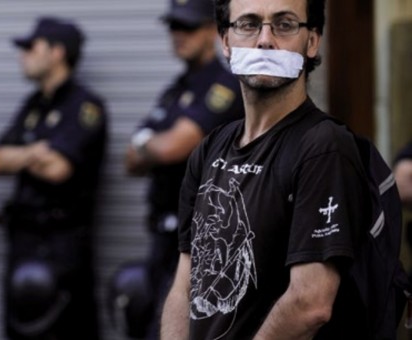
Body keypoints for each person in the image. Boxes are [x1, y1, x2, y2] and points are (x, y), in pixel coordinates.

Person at [161, 0, 375, 338]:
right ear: (226, 42)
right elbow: (183, 289)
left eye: (285, 24)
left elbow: (310, 303)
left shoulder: (324, 147)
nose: (264, 40)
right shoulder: (208, 150)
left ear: (312, 41)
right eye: (247, 24)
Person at [124, 0, 243, 337]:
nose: (179, 35)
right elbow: (130, 161)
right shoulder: (173, 92)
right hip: (163, 235)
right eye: (174, 27)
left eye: (188, 27)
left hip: (204, 240)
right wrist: (153, 147)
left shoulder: (224, 85)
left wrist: (148, 143)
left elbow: (175, 146)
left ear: (213, 31)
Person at [0, 17, 107, 340]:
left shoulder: (84, 107)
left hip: (62, 246)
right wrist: (34, 153)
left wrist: (20, 155)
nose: (22, 55)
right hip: (23, 239)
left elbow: (58, 169)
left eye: (31, 47)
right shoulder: (32, 107)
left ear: (57, 53)